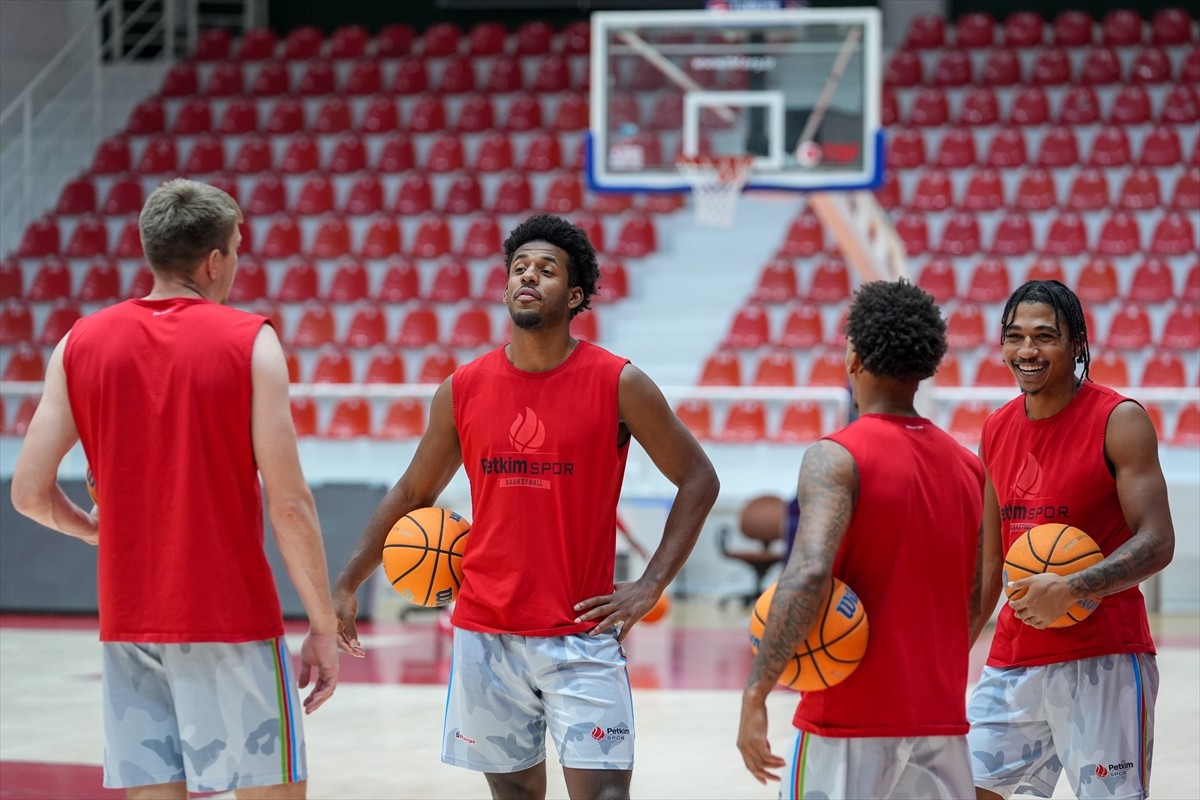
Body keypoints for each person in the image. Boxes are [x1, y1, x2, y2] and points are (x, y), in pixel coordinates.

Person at [333, 213, 719, 800]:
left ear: (576, 295)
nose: (528, 277)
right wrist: (347, 581)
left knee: (606, 794)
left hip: (581, 631)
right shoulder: (462, 388)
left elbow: (698, 478)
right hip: (485, 631)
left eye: (546, 269)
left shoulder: (619, 383)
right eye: (519, 268)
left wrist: (651, 584)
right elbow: (413, 492)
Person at [10, 179, 339, 799]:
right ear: (214, 261)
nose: (235, 264)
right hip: (229, 618)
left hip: (128, 621)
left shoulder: (77, 343)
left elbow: (29, 492)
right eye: (235, 250)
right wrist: (323, 624)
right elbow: (290, 506)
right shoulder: (250, 340)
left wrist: (92, 531)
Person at [737, 279, 985, 799]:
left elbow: (809, 571)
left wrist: (757, 689)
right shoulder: (969, 468)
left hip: (845, 718)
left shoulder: (835, 457)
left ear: (854, 359)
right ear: (925, 365)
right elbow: (981, 588)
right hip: (940, 718)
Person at [967, 279, 1174, 800]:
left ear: (1077, 343)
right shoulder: (995, 429)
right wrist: (948, 659)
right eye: (1015, 336)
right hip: (1015, 658)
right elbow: (989, 566)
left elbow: (1157, 540)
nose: (1027, 350)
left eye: (1044, 336)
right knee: (962, 788)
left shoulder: (1119, 420)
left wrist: (1074, 586)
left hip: (1104, 657)